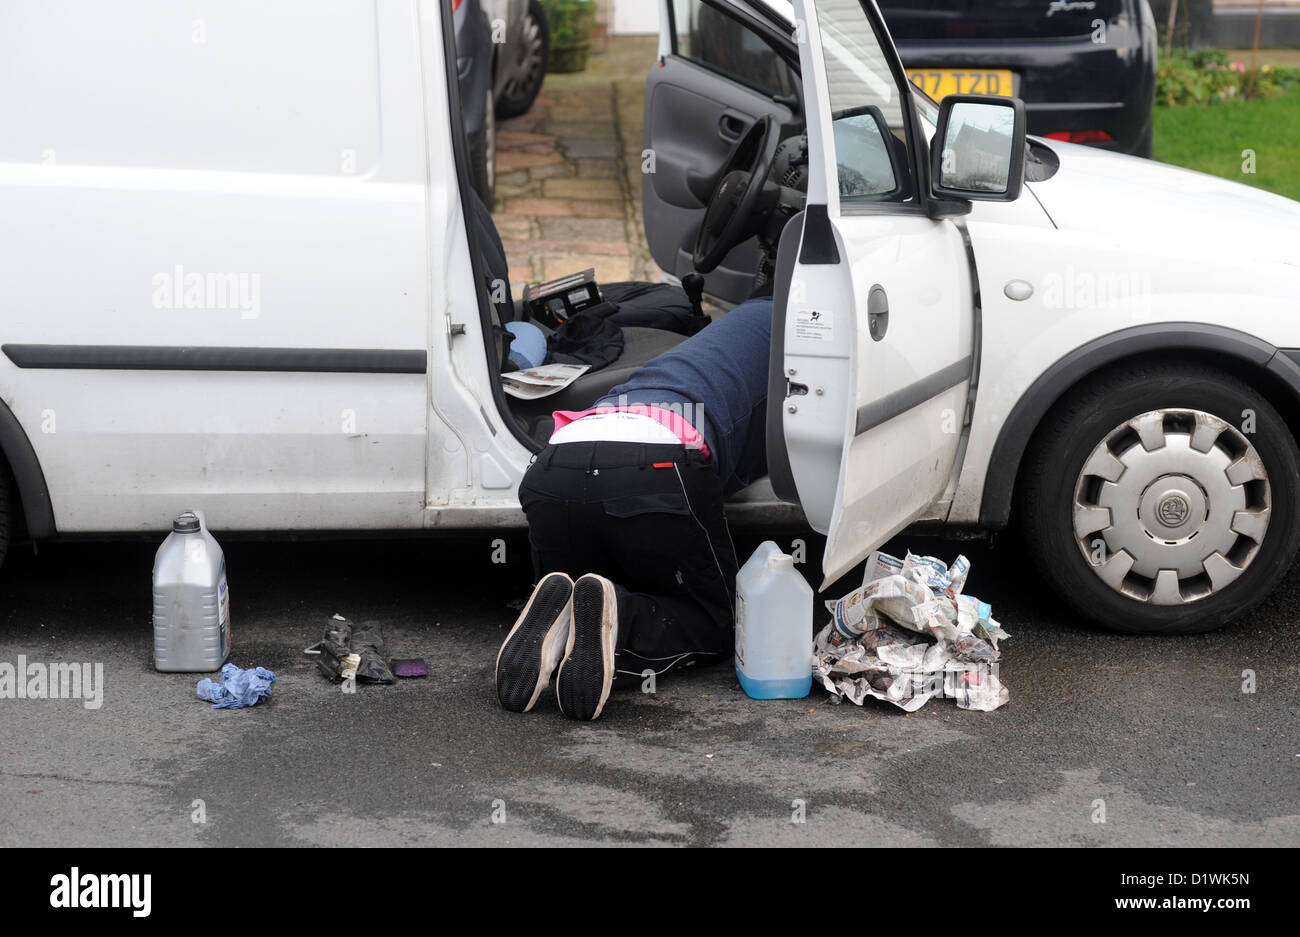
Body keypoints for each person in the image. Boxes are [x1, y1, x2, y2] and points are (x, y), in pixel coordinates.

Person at [495, 297, 773, 720]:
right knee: (715, 624)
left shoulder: (722, 336)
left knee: (589, 581)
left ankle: (563, 618)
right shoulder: (800, 337)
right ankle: (621, 621)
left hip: (556, 461)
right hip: (657, 457)